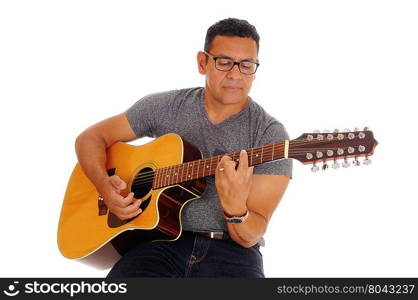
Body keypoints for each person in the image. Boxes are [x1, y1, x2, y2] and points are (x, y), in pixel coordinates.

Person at [75, 17, 292, 278]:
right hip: (155, 246)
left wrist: (236, 211)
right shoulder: (164, 106)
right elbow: (90, 138)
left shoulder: (271, 135)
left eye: (246, 65)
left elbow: (250, 235)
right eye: (224, 62)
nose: (236, 74)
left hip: (232, 253)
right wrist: (104, 185)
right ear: (203, 62)